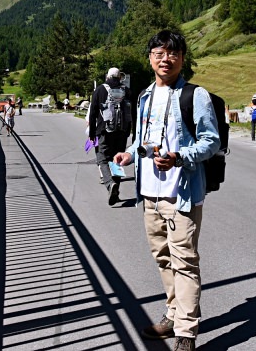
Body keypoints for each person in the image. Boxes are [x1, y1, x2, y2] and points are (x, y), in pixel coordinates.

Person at [113, 30, 220, 351]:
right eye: (159, 53)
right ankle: (174, 314)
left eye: (172, 53)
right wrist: (130, 154)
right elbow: (141, 139)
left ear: (182, 59)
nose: (165, 59)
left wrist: (179, 157)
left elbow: (211, 141)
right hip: (149, 193)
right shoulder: (144, 96)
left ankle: (186, 332)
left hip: (182, 192)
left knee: (184, 261)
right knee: (162, 258)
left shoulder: (194, 95)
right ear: (150, 58)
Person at [88, 67, 131, 205]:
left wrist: (92, 133)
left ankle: (109, 184)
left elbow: (93, 112)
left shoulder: (100, 89)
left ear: (107, 76)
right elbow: (133, 112)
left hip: (104, 130)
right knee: (117, 159)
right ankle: (116, 191)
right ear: (120, 77)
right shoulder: (126, 90)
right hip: (123, 131)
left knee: (102, 159)